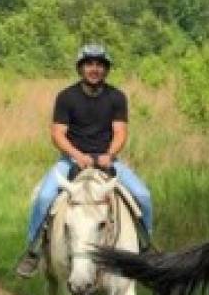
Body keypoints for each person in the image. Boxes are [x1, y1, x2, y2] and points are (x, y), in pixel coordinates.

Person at [15, 44, 153, 278]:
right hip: (71, 160)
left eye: (100, 64)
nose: (95, 69)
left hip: (108, 159)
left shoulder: (116, 97)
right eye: (89, 64)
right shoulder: (66, 97)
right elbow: (57, 133)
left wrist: (109, 155)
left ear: (106, 69)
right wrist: (77, 156)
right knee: (45, 196)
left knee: (143, 195)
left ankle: (146, 248)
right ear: (81, 68)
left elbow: (120, 132)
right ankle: (33, 251)